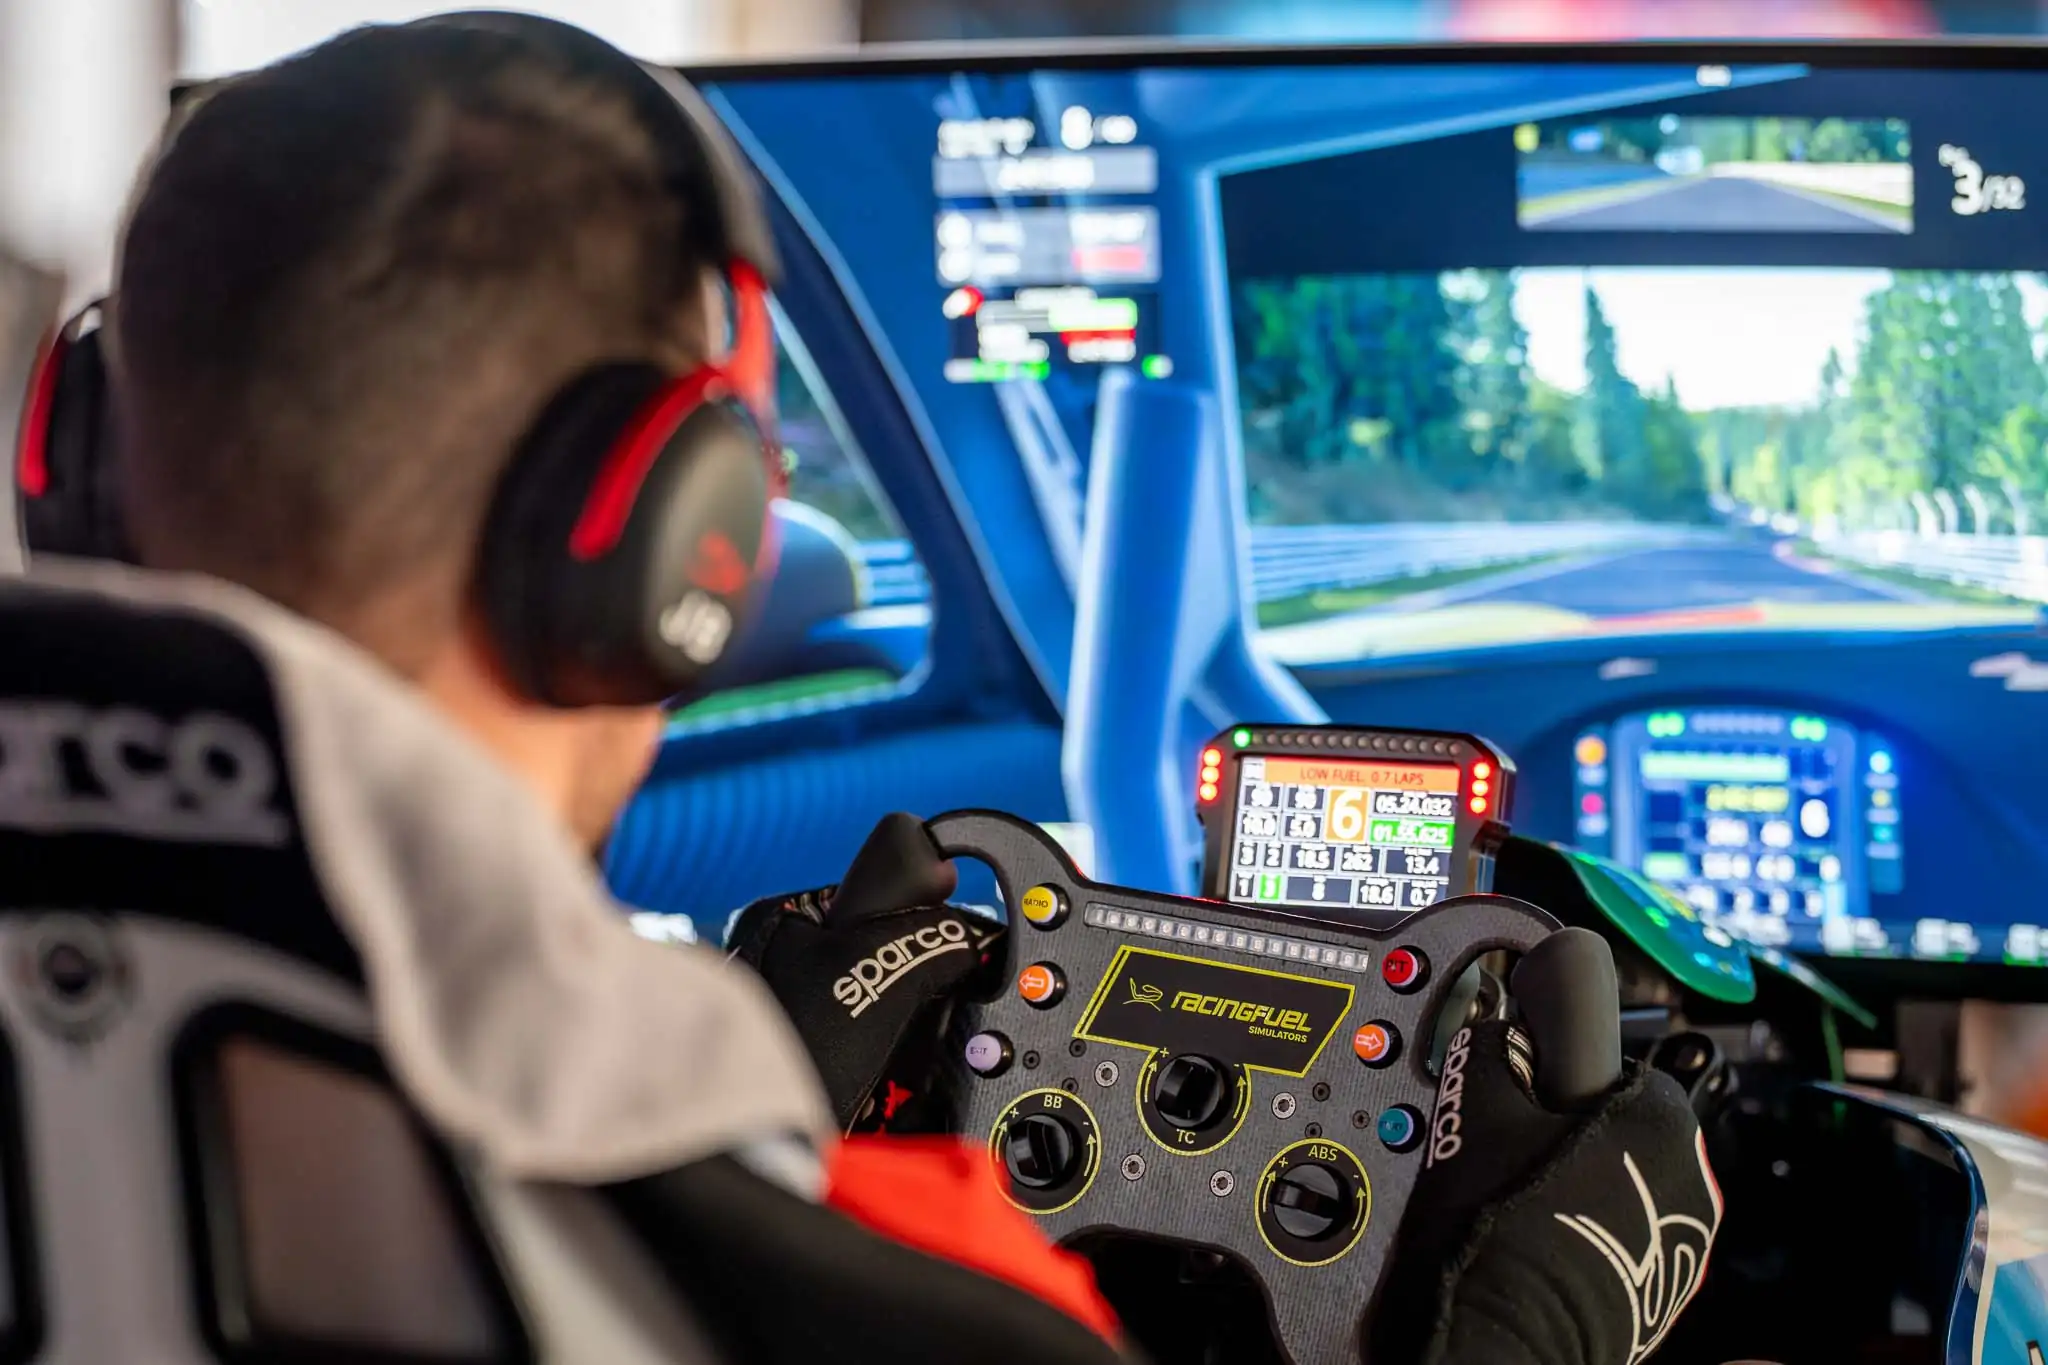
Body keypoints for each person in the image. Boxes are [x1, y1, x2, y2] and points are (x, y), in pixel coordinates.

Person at [22, 13, 1722, 1363]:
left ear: (77, 464)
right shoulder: (900, 1300)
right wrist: (1527, 1326)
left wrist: (765, 1080)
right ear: (685, 543)